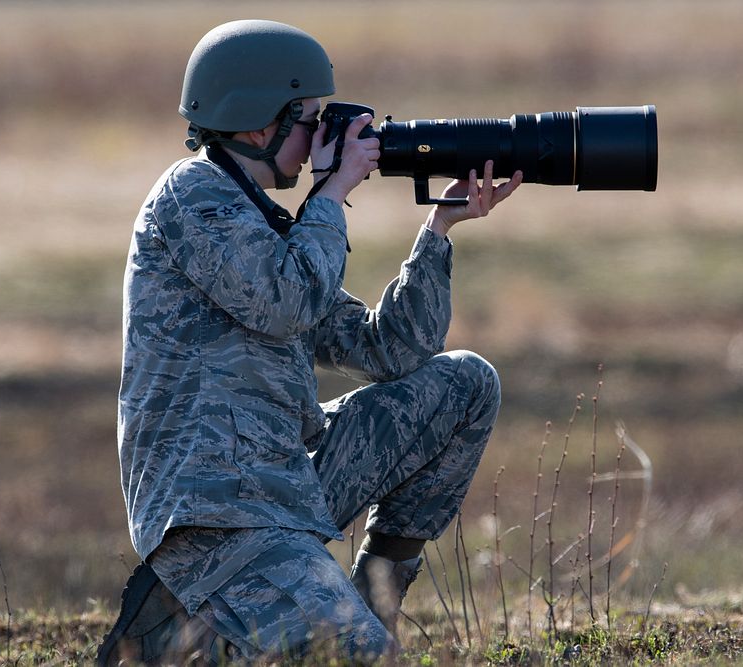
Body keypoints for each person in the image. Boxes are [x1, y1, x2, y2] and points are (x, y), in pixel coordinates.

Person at [98, 19, 522, 665]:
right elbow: (286, 300)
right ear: (256, 124)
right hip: (216, 514)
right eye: (311, 119)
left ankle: (368, 600)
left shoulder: (266, 226)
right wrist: (332, 191)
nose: (324, 138)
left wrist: (439, 227)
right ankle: (190, 621)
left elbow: (390, 351)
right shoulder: (192, 199)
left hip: (284, 482)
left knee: (463, 382)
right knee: (355, 659)